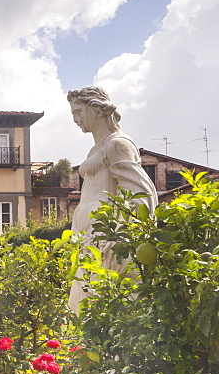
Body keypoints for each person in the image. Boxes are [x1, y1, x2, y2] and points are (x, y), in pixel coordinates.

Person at [67, 86, 158, 312]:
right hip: (89, 244)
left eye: (78, 112)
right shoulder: (95, 149)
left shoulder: (118, 144)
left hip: (109, 247)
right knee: (80, 319)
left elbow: (141, 195)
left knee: (104, 318)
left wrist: (119, 239)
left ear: (97, 109)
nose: (76, 120)